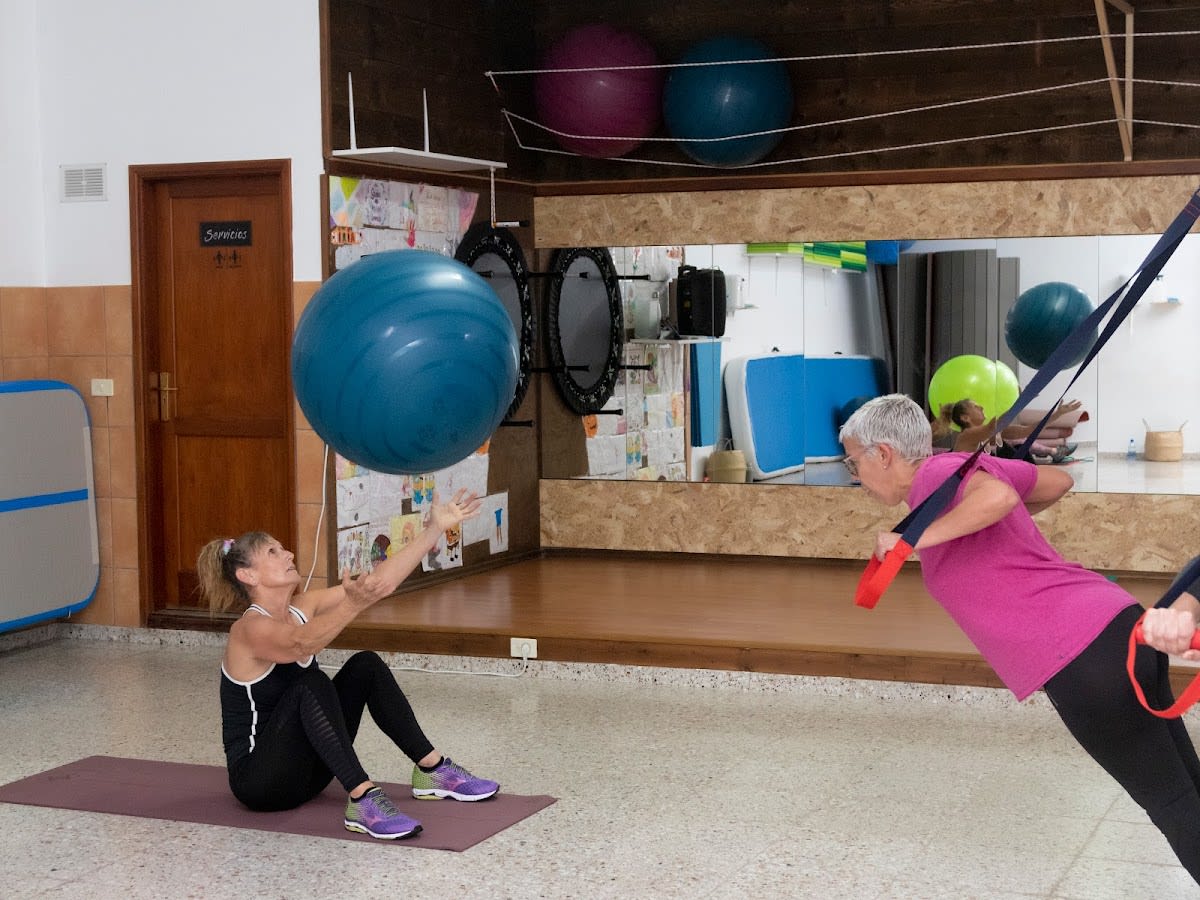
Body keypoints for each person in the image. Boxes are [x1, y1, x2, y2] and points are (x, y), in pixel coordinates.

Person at [839, 394, 1200, 882]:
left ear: (883, 454)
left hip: (1080, 655)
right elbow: (1057, 482)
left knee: (1173, 802)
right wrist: (990, 492)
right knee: (1186, 787)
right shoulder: (953, 480)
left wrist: (911, 540)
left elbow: (1001, 499)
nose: (854, 475)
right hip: (1113, 626)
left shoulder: (934, 476)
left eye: (854, 462)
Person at [197, 489, 499, 841]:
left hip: (310, 773)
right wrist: (353, 605)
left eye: (283, 548)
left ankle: (432, 770)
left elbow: (379, 584)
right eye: (273, 552)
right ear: (248, 576)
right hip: (261, 785)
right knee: (311, 684)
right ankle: (363, 800)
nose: (288, 553)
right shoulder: (248, 629)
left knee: (365, 666)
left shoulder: (302, 606)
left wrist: (434, 529)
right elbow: (302, 643)